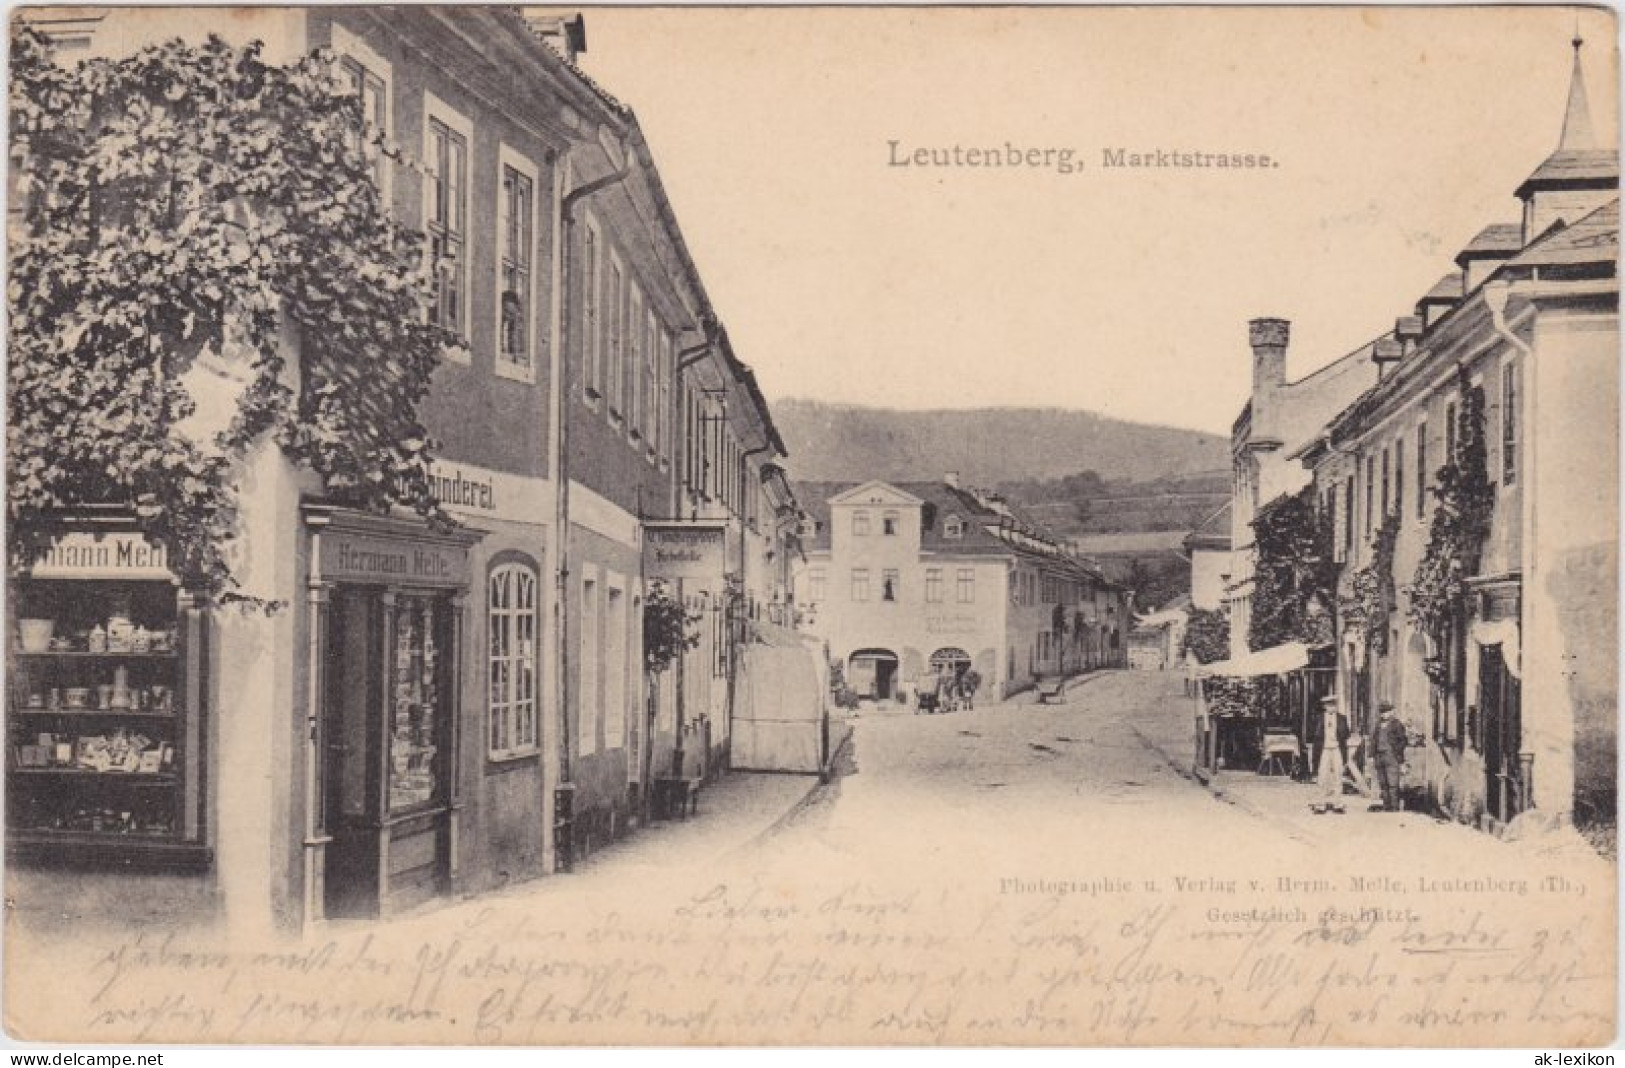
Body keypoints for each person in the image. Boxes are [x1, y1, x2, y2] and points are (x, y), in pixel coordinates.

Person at [1372, 702, 1408, 812]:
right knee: (1383, 783)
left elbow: (1403, 740)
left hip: (1391, 756)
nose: (1384, 714)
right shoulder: (1378, 725)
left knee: (1393, 783)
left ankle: (1394, 807)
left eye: (1386, 712)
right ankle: (1386, 806)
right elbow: (1374, 740)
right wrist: (1372, 755)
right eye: (1382, 712)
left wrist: (1397, 751)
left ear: (1391, 712)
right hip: (1379, 756)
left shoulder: (1397, 724)